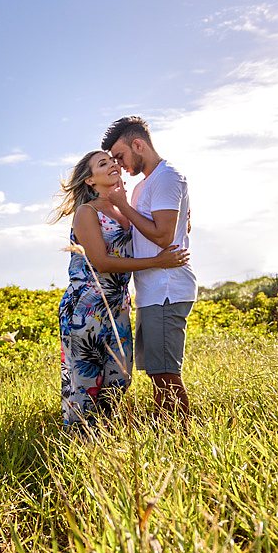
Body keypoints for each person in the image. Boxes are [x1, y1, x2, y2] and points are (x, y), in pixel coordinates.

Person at [50, 150, 189, 432]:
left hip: (119, 306)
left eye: (113, 160)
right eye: (103, 163)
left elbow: (156, 227)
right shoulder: (86, 212)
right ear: (90, 180)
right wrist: (157, 262)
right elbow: (100, 262)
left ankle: (107, 438)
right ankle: (79, 446)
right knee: (86, 382)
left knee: (119, 380)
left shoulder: (124, 205)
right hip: (87, 305)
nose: (113, 164)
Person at [102, 116, 197, 423]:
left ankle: (182, 439)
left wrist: (123, 204)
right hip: (151, 291)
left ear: (138, 145)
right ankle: (165, 436)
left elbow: (162, 235)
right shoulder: (144, 185)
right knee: (157, 372)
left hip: (168, 288)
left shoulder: (167, 177)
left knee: (166, 373)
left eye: (120, 156)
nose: (119, 164)